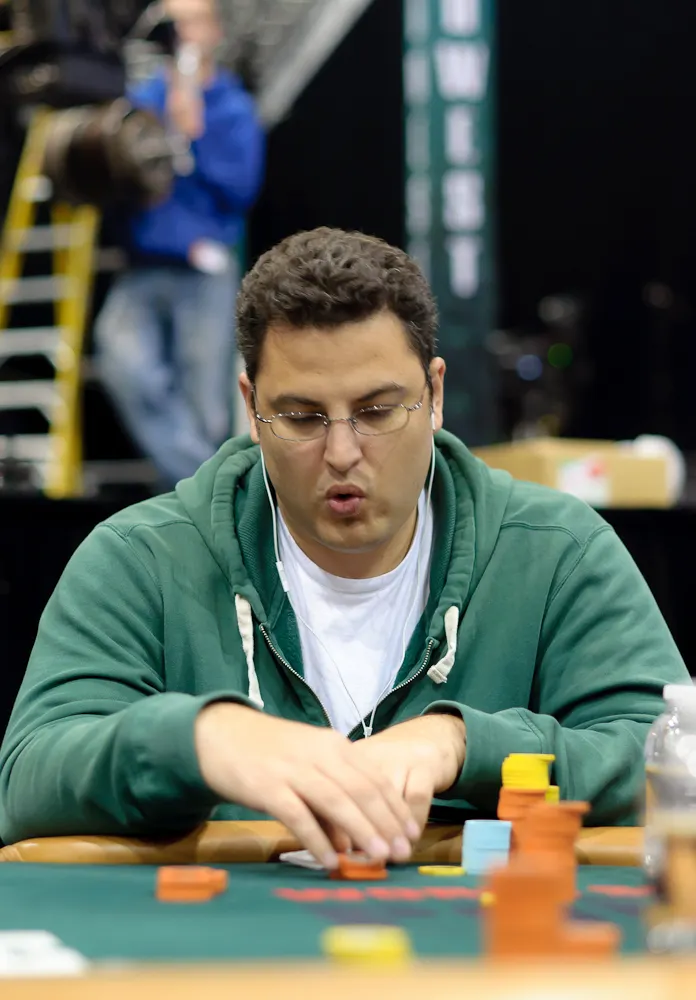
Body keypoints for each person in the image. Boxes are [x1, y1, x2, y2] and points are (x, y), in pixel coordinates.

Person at [0, 228, 689, 865]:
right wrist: (201, 739)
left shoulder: (558, 553)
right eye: (301, 417)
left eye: (377, 411)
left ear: (435, 394)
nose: (341, 452)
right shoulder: (141, 560)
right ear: (251, 407)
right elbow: (28, 780)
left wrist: (464, 745)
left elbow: (670, 756)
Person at [95, 0, 264, 488]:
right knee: (124, 365)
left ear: (213, 32)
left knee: (206, 405)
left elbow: (241, 189)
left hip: (204, 270)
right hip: (143, 264)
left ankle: (194, 500)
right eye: (174, 24)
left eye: (193, 23)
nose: (182, 34)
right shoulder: (139, 103)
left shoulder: (232, 107)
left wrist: (194, 138)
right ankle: (204, 489)